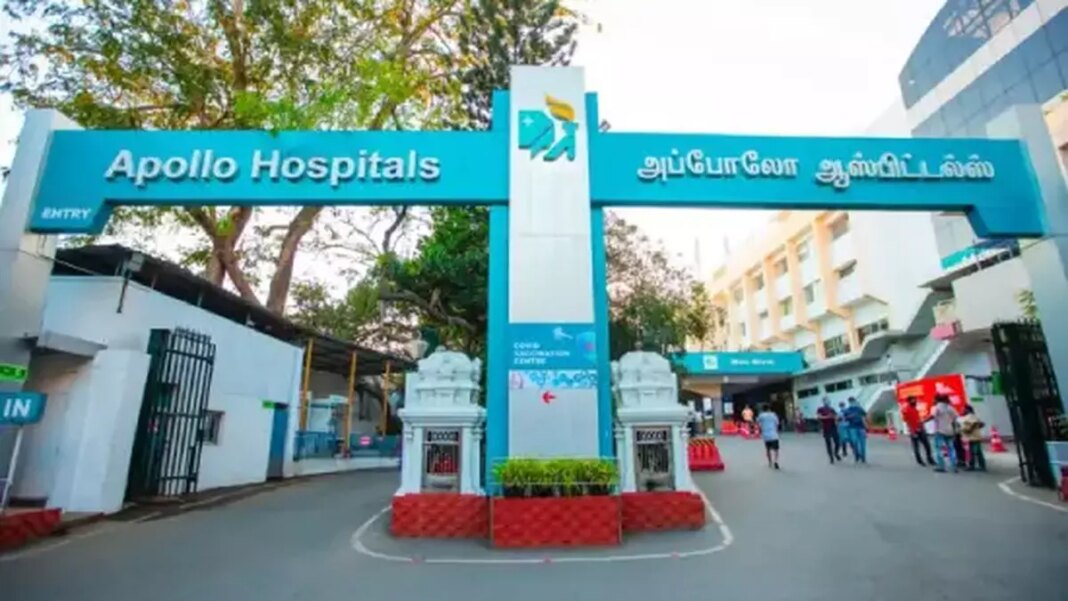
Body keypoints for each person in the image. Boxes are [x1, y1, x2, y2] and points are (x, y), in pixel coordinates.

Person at [927, 394, 959, 473]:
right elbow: (955, 419)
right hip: (950, 431)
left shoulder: (937, 407)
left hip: (939, 431)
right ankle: (954, 466)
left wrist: (923, 421)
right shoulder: (950, 408)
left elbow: (932, 416)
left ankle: (941, 466)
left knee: (939, 449)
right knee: (951, 449)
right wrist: (955, 431)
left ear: (937, 400)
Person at [901, 396, 935, 466]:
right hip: (914, 430)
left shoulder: (914, 408)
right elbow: (907, 421)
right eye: (913, 400)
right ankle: (919, 460)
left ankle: (929, 458)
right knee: (916, 446)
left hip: (920, 428)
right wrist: (912, 431)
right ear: (909, 401)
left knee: (927, 445)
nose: (915, 401)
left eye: (915, 400)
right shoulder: (906, 410)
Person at [959, 405, 987, 472]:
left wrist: (967, 429)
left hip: (972, 437)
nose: (962, 411)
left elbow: (972, 424)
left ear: (967, 410)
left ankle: (973, 466)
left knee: (973, 452)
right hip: (975, 436)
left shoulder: (970, 417)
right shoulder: (974, 416)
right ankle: (981, 465)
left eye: (963, 409)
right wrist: (977, 427)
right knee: (977, 452)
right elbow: (981, 424)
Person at [842, 397, 868, 464]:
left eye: (853, 401)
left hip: (861, 427)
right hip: (852, 428)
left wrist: (866, 425)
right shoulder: (847, 410)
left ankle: (863, 457)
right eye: (851, 401)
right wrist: (850, 417)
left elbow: (865, 415)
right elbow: (844, 419)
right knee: (855, 442)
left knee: (863, 443)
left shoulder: (859, 408)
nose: (852, 402)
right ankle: (857, 455)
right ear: (849, 402)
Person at [816, 398, 842, 463]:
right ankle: (831, 457)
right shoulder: (820, 409)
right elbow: (819, 417)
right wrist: (828, 416)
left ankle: (836, 453)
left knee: (837, 442)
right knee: (828, 443)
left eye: (828, 401)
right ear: (823, 402)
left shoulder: (831, 409)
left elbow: (836, 417)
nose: (827, 402)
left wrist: (837, 417)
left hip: (833, 427)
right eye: (826, 401)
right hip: (826, 428)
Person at [756, 404, 781, 469]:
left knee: (768, 449)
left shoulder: (761, 415)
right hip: (774, 435)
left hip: (766, 435)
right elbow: (777, 424)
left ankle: (770, 462)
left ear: (763, 409)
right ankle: (776, 461)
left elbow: (757, 423)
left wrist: (761, 427)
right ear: (769, 409)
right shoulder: (773, 415)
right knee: (776, 449)